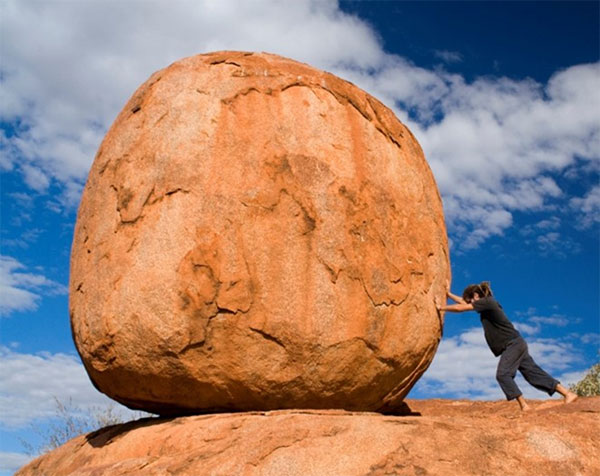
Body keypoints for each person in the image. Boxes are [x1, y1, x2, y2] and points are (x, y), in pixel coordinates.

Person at [437, 281, 578, 411]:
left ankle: (524, 405)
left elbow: (462, 308)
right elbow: (463, 303)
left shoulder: (487, 302)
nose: (470, 303)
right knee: (533, 374)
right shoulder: (486, 304)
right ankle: (568, 394)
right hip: (517, 343)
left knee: (503, 374)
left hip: (513, 344)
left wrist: (441, 307)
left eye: (471, 300)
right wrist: (448, 294)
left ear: (476, 296)